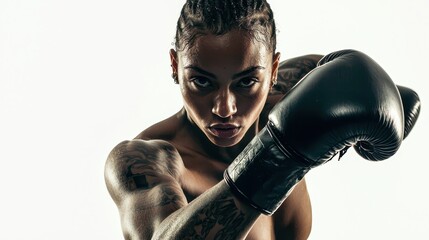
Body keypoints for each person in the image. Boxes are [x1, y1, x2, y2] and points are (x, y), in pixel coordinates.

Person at [104, 1, 420, 239]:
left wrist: (389, 107)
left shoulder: (286, 97)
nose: (224, 108)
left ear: (273, 70)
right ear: (175, 66)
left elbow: (378, 88)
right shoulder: (146, 161)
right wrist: (277, 158)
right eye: (202, 81)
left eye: (245, 82)